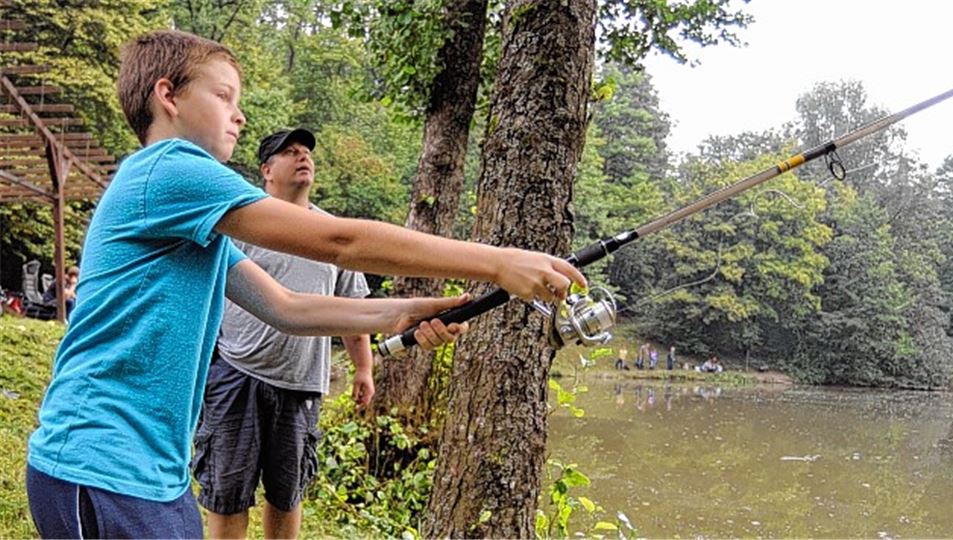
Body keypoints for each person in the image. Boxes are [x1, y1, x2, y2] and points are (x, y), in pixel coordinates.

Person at [25, 29, 585, 538]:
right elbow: (339, 241)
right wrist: (498, 262)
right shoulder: (168, 168)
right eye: (224, 97)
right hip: (98, 462)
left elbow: (287, 307)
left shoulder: (189, 222)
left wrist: (404, 312)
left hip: (147, 470)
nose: (238, 116)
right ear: (167, 96)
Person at [192, 129, 373, 539]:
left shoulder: (333, 234)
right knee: (227, 491)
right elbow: (207, 297)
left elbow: (353, 307)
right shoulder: (243, 224)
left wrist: (363, 368)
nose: (303, 157)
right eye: (290, 152)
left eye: (306, 152)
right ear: (267, 170)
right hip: (236, 374)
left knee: (287, 494)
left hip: (302, 383)